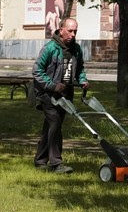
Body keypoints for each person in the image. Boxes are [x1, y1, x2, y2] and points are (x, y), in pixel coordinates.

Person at [32, 17, 89, 174]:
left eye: (75, 31)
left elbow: (80, 69)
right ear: (61, 29)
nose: (73, 34)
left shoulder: (76, 49)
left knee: (51, 127)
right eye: (70, 31)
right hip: (47, 94)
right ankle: (56, 163)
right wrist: (52, 85)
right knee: (55, 124)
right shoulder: (50, 48)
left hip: (66, 94)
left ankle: (40, 160)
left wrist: (83, 80)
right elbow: (37, 71)